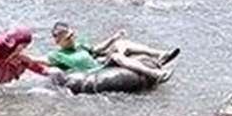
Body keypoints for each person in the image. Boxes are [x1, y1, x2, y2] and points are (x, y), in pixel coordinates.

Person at [46, 22, 179, 83]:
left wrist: (113, 38)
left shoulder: (78, 45)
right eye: (68, 37)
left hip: (101, 62)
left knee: (121, 44)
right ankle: (156, 74)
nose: (72, 38)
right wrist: (24, 57)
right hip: (96, 71)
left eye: (72, 35)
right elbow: (38, 62)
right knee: (116, 56)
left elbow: (97, 50)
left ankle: (160, 55)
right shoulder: (56, 55)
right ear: (58, 40)